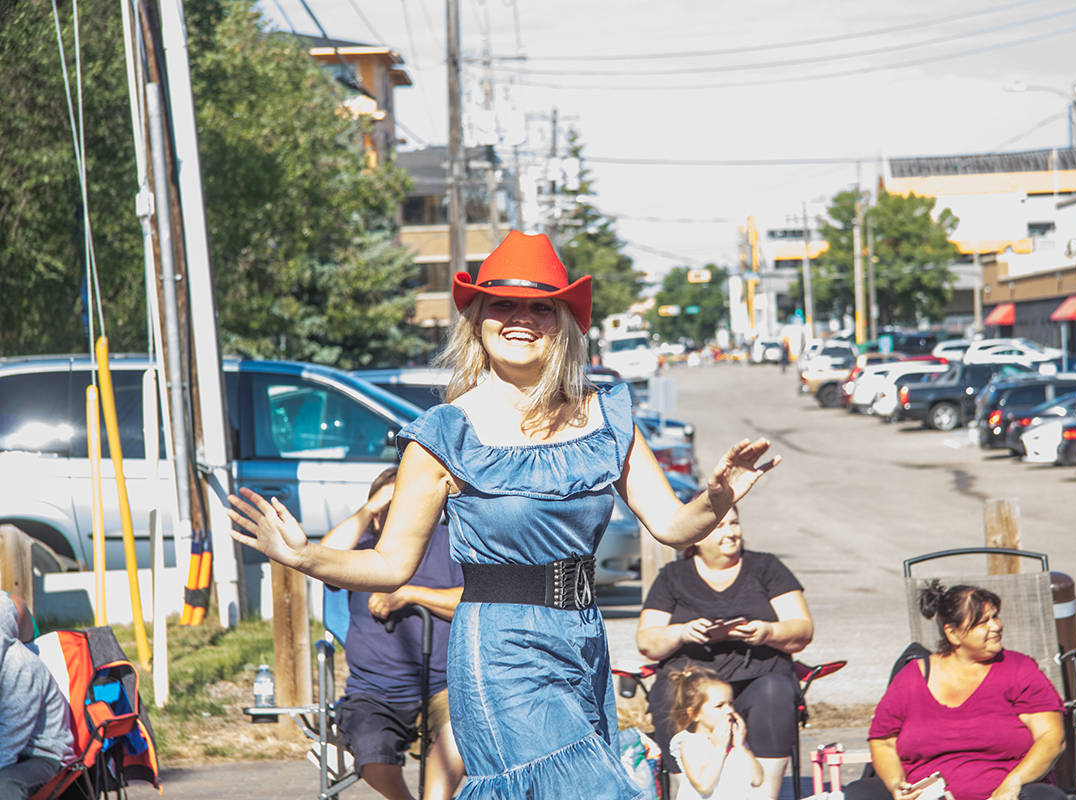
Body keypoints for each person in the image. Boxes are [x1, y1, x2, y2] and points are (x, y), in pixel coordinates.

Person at [227, 230, 780, 800]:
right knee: (592, 792)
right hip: (499, 648)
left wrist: (718, 497)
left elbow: (669, 525)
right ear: (478, 318)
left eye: (540, 306)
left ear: (564, 321)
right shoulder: (444, 433)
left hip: (582, 638)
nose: (521, 318)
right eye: (503, 303)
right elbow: (392, 564)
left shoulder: (605, 417)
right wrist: (305, 556)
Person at [636, 505, 813, 799]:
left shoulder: (766, 568)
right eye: (719, 527)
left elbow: (803, 629)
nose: (731, 533)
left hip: (759, 675)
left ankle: (765, 793)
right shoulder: (673, 576)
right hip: (693, 681)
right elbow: (647, 641)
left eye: (734, 523)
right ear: (695, 536)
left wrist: (767, 632)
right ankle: (688, 788)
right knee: (670, 691)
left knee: (775, 691)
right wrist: (681, 632)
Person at [846, 581, 1066, 800]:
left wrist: (1012, 783)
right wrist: (897, 785)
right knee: (861, 792)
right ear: (952, 634)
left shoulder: (1019, 669)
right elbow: (883, 741)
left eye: (995, 616)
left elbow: (1051, 737)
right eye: (983, 622)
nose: (996, 626)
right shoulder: (912, 678)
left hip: (1005, 795)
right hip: (929, 796)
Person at [321, 466, 465, 800]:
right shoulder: (361, 550)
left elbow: (474, 601)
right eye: (390, 503)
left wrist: (409, 594)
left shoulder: (450, 543)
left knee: (461, 733)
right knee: (373, 754)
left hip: (445, 685)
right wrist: (370, 508)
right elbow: (321, 558)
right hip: (374, 691)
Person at [0, 590, 74, 800]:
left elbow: (8, 745)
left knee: (4, 786)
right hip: (10, 749)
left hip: (39, 755)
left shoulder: (20, 667)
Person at [668, 665, 763, 800]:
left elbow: (757, 780)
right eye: (719, 706)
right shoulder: (691, 743)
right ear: (694, 714)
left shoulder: (734, 741)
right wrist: (720, 748)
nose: (729, 710)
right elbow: (704, 786)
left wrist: (742, 747)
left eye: (730, 703)